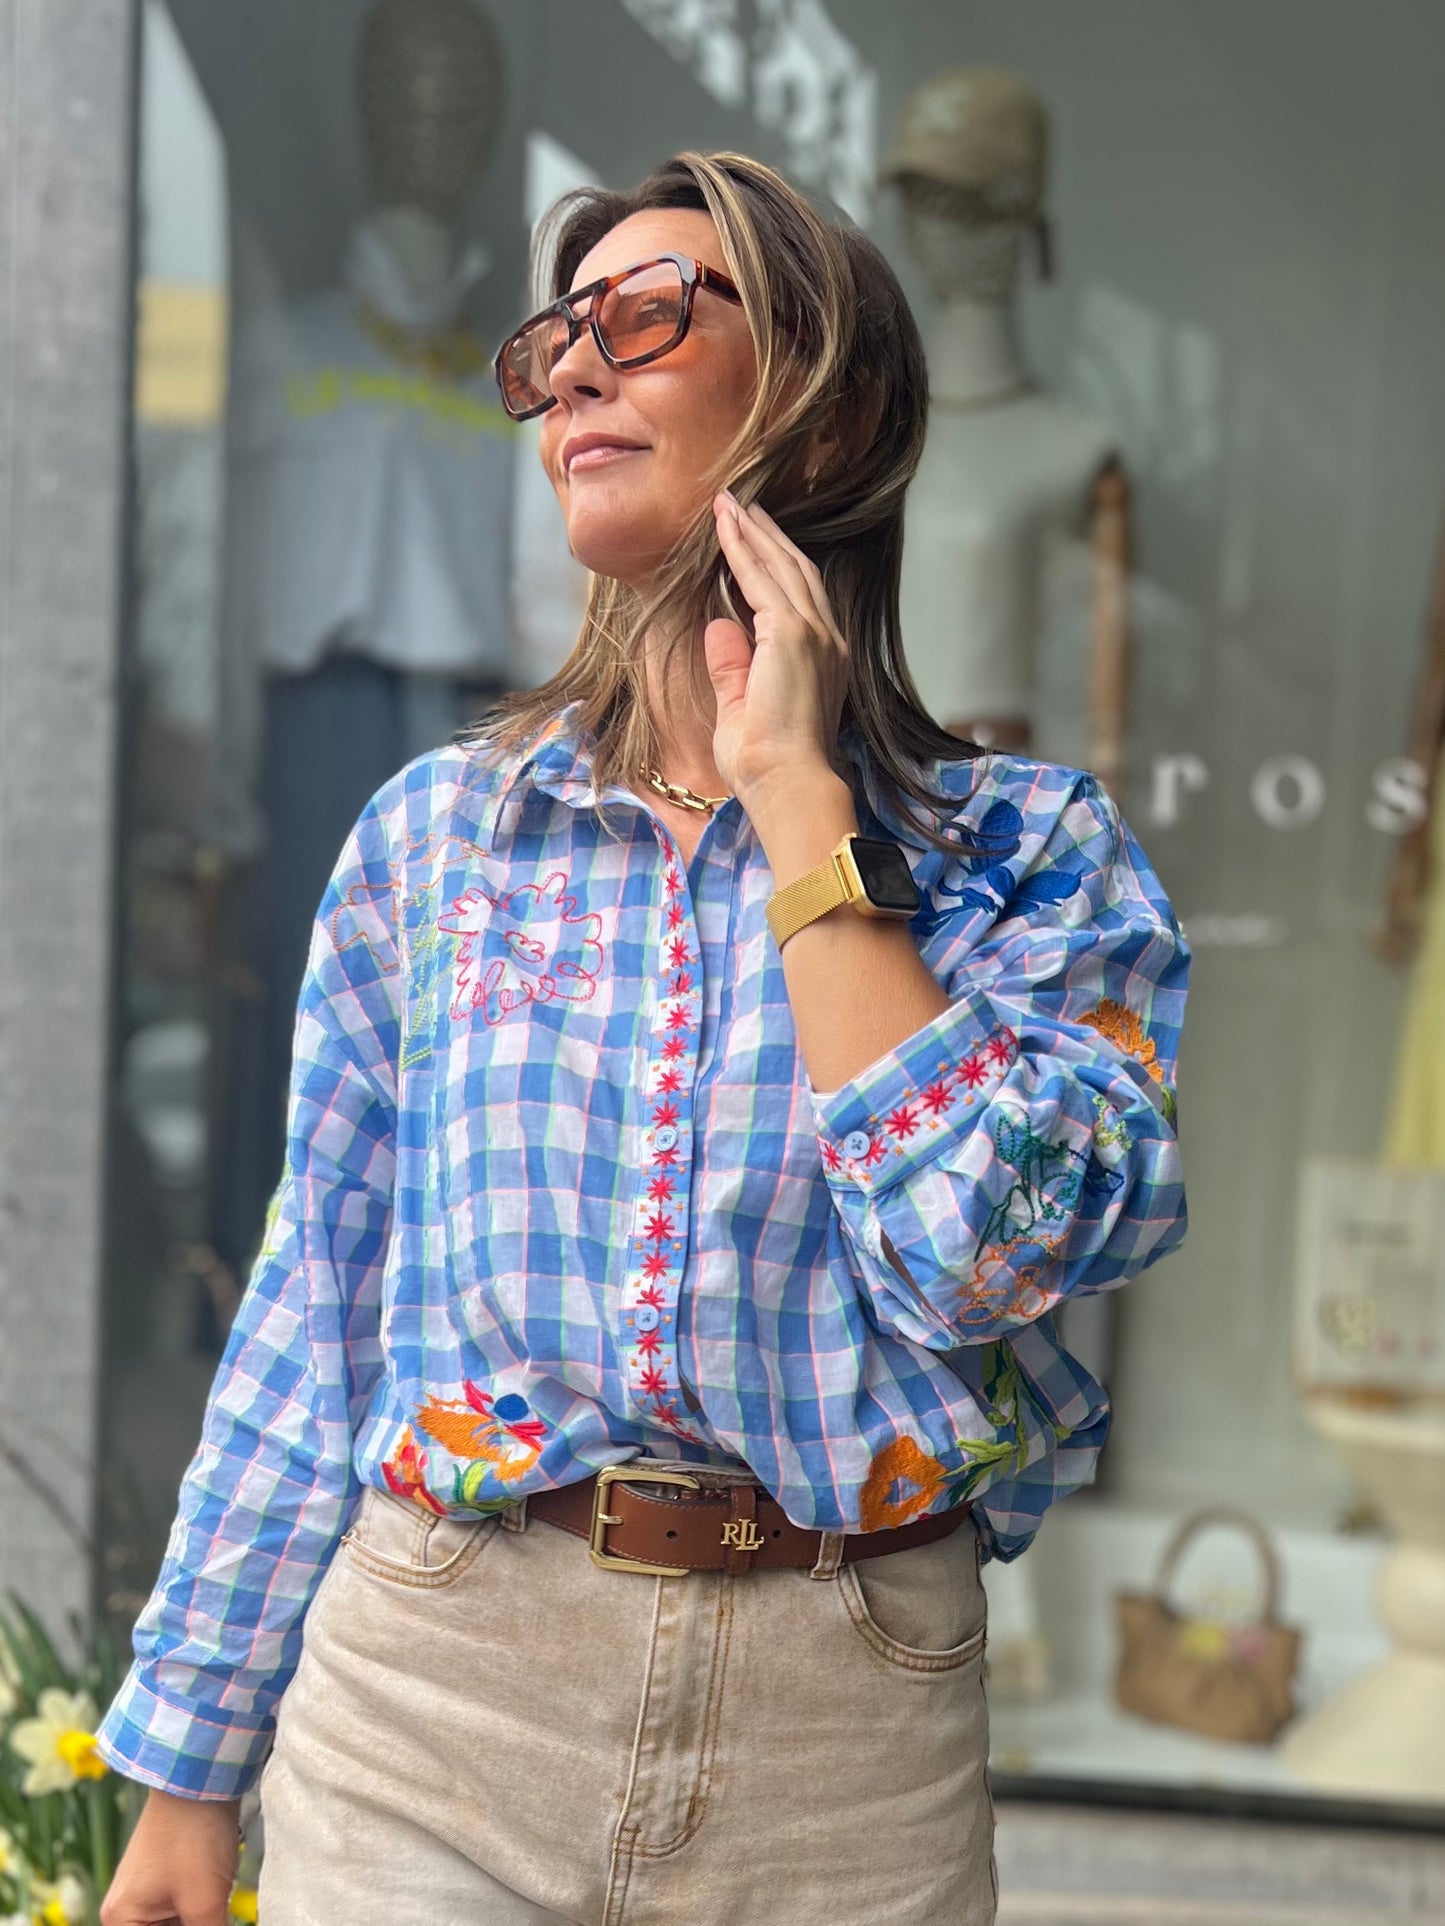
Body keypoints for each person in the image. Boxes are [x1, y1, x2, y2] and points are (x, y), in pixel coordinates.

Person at [97, 151, 1188, 1925]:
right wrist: (190, 1764)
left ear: (826, 416)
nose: (575, 371)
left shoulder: (1028, 861)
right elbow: (316, 1305)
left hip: (844, 1747)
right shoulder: (441, 840)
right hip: (439, 1691)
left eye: (647, 316)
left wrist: (794, 803)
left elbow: (995, 1253)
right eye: (557, 341)